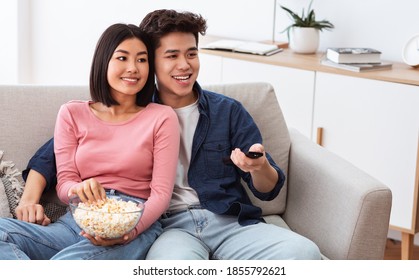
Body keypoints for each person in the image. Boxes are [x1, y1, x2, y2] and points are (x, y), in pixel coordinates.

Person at [14, 9, 321, 260]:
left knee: (304, 253)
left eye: (191, 54)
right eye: (171, 56)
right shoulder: (132, 111)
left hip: (229, 221)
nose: (184, 65)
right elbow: (51, 157)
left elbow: (269, 188)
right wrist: (29, 200)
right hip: (168, 226)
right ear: (153, 61)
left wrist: (259, 167)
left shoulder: (228, 111)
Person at [0, 23, 180, 260]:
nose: (133, 68)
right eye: (122, 58)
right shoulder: (72, 113)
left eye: (142, 60)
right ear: (103, 61)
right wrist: (78, 189)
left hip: (131, 223)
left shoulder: (162, 117)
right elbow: (65, 183)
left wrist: (130, 229)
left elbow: (161, 194)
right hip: (76, 220)